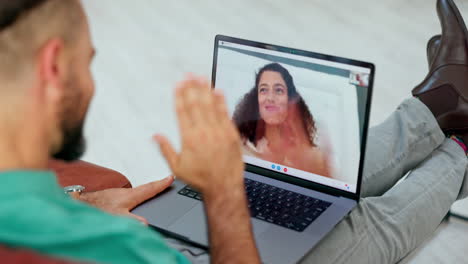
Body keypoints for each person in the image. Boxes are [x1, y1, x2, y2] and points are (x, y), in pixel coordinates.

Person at [0, 0, 467, 264]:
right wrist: (224, 192)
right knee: (362, 225)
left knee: (318, 182)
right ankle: (458, 134)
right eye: (88, 62)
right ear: (54, 67)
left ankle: (441, 104)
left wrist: (77, 202)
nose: (92, 80)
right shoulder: (115, 250)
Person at [233, 63, 332, 177]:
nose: (270, 98)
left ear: (290, 100)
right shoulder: (239, 147)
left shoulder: (313, 157)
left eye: (278, 90)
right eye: (264, 90)